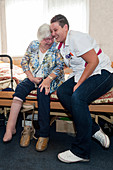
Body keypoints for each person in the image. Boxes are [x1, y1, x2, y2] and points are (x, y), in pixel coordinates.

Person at [50, 14, 113, 163]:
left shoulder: (76, 38)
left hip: (101, 72)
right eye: (51, 31)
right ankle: (93, 129)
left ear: (65, 27)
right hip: (83, 73)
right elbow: (71, 64)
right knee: (63, 92)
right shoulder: (61, 46)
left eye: (55, 30)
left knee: (78, 98)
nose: (53, 34)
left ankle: (81, 151)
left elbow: (93, 61)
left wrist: (79, 84)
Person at [3, 23, 64, 151]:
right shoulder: (33, 45)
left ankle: (44, 134)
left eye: (51, 38)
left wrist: (47, 80)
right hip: (34, 77)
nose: (49, 41)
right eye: (46, 39)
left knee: (42, 92)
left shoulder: (56, 47)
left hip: (50, 79)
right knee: (20, 89)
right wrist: (31, 78)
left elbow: (59, 66)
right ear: (39, 39)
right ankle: (10, 128)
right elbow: (24, 62)